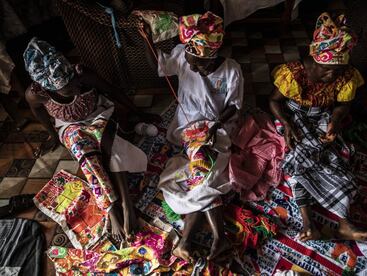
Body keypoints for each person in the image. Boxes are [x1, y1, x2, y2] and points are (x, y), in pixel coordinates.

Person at [23, 37, 159, 242]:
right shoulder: (36, 95)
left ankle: (126, 206)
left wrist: (139, 113)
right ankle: (112, 210)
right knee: (85, 155)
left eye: (75, 84)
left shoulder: (82, 74)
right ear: (48, 88)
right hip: (68, 126)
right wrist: (53, 136)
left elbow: (113, 91)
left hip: (100, 115)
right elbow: (39, 114)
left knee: (110, 148)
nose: (76, 89)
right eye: (69, 89)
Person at [139, 12, 244, 263]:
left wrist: (214, 126)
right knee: (204, 175)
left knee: (204, 174)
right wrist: (146, 41)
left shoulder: (231, 70)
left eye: (200, 64)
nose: (194, 68)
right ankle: (217, 238)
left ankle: (189, 241)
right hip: (186, 128)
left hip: (216, 128)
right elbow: (158, 64)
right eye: (191, 60)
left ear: (215, 56)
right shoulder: (184, 57)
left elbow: (235, 107)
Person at [269, 12, 367, 242]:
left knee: (333, 158)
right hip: (293, 116)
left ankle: (344, 223)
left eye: (335, 71)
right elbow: (274, 101)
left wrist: (335, 122)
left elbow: (343, 105)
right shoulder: (294, 73)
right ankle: (308, 224)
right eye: (326, 70)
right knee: (299, 155)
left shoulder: (344, 76)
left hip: (323, 116)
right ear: (313, 60)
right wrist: (286, 124)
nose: (331, 75)